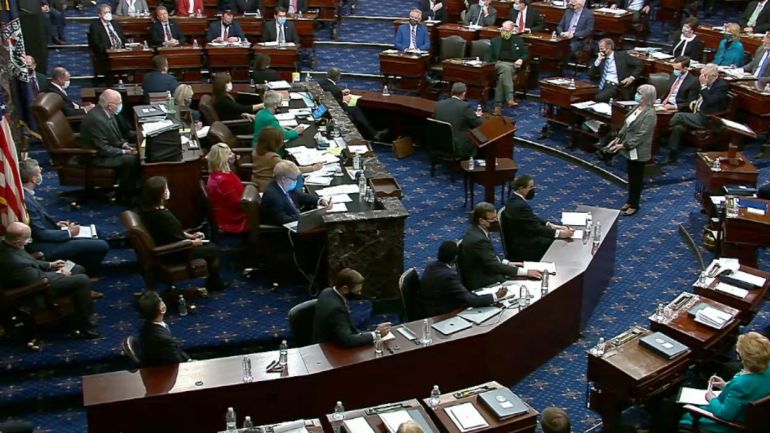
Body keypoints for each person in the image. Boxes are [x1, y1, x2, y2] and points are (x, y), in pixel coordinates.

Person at [0, 222, 99, 339]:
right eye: (28, 239)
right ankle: (83, 325)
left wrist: (50, 265)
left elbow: (29, 260)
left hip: (38, 276)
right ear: (17, 241)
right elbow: (39, 281)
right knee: (82, 280)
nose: (29, 241)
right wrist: (61, 275)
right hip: (38, 290)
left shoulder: (7, 245)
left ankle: (77, 308)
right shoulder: (14, 262)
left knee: (76, 268)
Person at [19, 159, 110, 275]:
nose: (41, 175)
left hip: (47, 236)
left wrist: (57, 226)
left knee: (97, 232)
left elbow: (36, 224)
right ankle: (79, 272)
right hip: (44, 246)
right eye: (39, 173)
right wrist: (69, 233)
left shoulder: (27, 194)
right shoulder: (26, 200)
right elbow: (40, 234)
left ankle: (78, 267)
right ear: (34, 179)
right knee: (101, 245)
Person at [139, 176, 226, 292]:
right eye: (166, 189)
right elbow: (176, 240)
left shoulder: (149, 210)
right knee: (213, 248)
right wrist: (194, 242)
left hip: (168, 244)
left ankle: (214, 282)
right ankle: (215, 284)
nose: (168, 191)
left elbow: (173, 233)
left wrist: (191, 236)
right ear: (162, 194)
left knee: (208, 246)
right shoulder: (162, 217)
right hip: (173, 253)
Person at [679, 332, 770, 433]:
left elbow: (724, 414)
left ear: (741, 357)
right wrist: (725, 386)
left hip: (723, 426)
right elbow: (748, 393)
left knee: (679, 409)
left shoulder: (741, 384)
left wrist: (711, 398)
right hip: (755, 419)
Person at [458, 202, 542, 291]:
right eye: (493, 219)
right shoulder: (479, 240)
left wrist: (506, 263)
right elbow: (494, 265)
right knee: (526, 287)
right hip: (484, 281)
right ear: (482, 221)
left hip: (487, 271)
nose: (496, 221)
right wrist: (526, 272)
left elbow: (489, 256)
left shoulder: (479, 231)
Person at [604, 85, 657, 216]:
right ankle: (630, 200)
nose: (636, 95)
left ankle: (634, 204)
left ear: (646, 97)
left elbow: (641, 135)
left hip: (638, 150)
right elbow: (626, 125)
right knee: (631, 177)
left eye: (639, 93)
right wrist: (618, 138)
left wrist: (623, 145)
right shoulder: (636, 107)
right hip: (629, 147)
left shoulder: (650, 114)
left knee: (636, 179)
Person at [79, 89, 140, 201]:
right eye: (119, 103)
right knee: (132, 160)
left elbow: (115, 137)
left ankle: (130, 189)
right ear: (110, 105)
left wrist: (126, 145)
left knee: (136, 154)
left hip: (105, 151)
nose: (121, 105)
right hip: (96, 157)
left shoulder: (107, 112)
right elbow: (103, 148)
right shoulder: (96, 120)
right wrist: (125, 152)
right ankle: (124, 195)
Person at [419, 241, 507, 317]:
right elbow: (472, 301)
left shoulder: (431, 266)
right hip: (442, 314)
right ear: (455, 257)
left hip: (428, 307)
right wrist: (496, 296)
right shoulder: (448, 276)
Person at [664, 63, 728, 164]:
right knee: (678, 127)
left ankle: (663, 130)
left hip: (708, 118)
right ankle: (672, 156)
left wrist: (703, 86)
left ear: (714, 76)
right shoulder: (704, 81)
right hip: (696, 113)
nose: (702, 78)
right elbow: (695, 95)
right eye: (702, 75)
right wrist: (694, 101)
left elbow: (710, 101)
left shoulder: (721, 86)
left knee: (678, 116)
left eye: (705, 75)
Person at [312, 268, 392, 348]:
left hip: (331, 337)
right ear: (345, 289)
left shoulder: (327, 291)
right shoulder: (336, 309)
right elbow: (348, 341)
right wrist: (376, 334)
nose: (360, 293)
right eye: (357, 291)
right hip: (329, 349)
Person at [501, 175, 574, 261]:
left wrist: (551, 225)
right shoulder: (520, 206)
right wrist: (560, 234)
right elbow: (536, 228)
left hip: (522, 236)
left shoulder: (514, 199)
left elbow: (531, 218)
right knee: (557, 242)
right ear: (521, 188)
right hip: (525, 245)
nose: (533, 189)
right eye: (531, 187)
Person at [318, 67, 387, 141]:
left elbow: (330, 92)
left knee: (354, 110)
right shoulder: (336, 90)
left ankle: (372, 132)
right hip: (332, 111)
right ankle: (373, 132)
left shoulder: (320, 83)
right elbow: (339, 105)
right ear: (338, 77)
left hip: (322, 107)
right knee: (355, 110)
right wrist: (344, 100)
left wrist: (341, 93)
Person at [260, 160, 330, 225]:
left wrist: (320, 201)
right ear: (284, 179)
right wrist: (312, 216)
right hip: (287, 232)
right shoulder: (273, 197)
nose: (296, 181)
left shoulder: (281, 185)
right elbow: (284, 221)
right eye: (294, 179)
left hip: (296, 216)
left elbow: (302, 196)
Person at [251, 127, 321, 191]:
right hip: (269, 186)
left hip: (258, 182)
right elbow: (292, 170)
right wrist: (312, 168)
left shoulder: (256, 151)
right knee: (298, 178)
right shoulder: (272, 157)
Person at [137, 291, 191, 367]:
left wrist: (189, 359)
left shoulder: (146, 325)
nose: (163, 302)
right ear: (162, 309)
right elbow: (178, 364)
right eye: (161, 301)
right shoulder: (164, 341)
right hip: (164, 372)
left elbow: (176, 349)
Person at [485, 20, 528, 113]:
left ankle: (497, 106)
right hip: (498, 64)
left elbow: (525, 54)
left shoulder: (518, 40)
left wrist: (521, 59)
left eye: (507, 30)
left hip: (512, 65)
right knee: (505, 68)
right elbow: (488, 56)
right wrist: (491, 63)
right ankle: (509, 98)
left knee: (502, 77)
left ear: (512, 30)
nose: (505, 32)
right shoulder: (495, 40)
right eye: (503, 29)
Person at [205, 143, 249, 234]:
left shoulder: (218, 174)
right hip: (234, 218)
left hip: (235, 209)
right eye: (229, 154)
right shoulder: (223, 181)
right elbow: (236, 204)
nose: (233, 155)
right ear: (222, 159)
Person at [433, 82, 482, 159]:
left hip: (440, 142)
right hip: (457, 146)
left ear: (452, 92)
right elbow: (478, 123)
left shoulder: (439, 104)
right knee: (479, 135)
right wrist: (478, 115)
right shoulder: (465, 106)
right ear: (463, 93)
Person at [590, 38, 643, 102]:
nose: (600, 51)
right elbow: (591, 74)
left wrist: (631, 78)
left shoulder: (622, 56)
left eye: (602, 49)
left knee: (598, 98)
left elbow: (640, 65)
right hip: (602, 84)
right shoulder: (601, 58)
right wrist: (598, 60)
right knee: (586, 96)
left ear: (609, 48)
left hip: (616, 86)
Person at [88, 4, 127, 74]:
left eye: (109, 12)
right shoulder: (95, 26)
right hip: (106, 53)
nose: (108, 14)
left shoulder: (115, 24)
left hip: (121, 51)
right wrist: (109, 50)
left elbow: (122, 38)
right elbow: (97, 43)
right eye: (105, 12)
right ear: (100, 15)